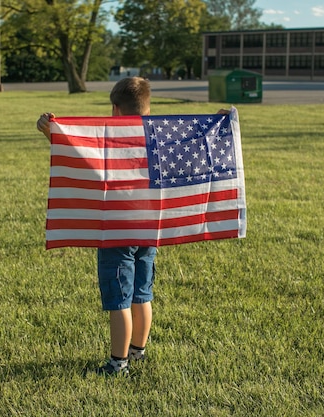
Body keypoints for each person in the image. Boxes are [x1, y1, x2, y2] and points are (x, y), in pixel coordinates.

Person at [37, 77, 228, 376]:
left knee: (119, 299)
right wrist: (215, 123)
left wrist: (52, 131)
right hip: (150, 228)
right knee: (142, 293)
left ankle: (118, 364)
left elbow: (80, 155)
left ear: (115, 108)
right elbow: (192, 152)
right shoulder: (161, 137)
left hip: (116, 231)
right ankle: (138, 352)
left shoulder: (110, 138)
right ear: (149, 106)